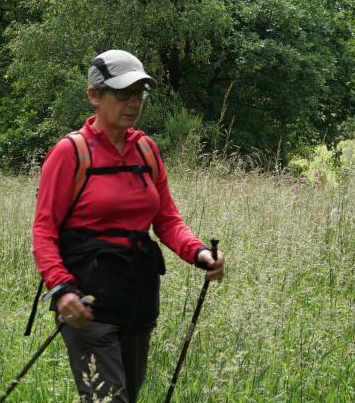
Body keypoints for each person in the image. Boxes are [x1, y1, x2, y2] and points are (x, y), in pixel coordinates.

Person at [32, 49, 225, 403]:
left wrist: (199, 252)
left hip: (138, 300)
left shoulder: (146, 151)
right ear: (94, 95)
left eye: (139, 93)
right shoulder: (70, 153)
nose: (133, 102)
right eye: (123, 94)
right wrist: (61, 289)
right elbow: (44, 231)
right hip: (88, 305)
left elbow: (166, 220)